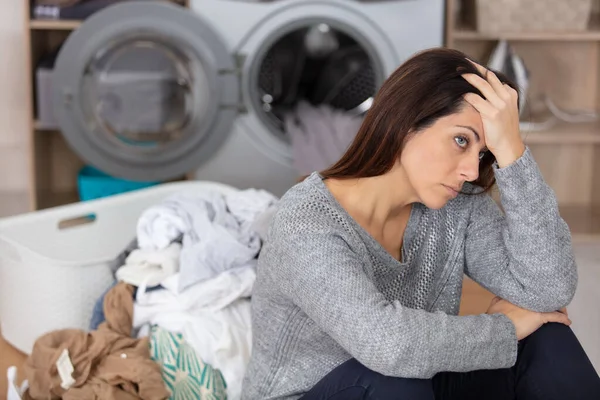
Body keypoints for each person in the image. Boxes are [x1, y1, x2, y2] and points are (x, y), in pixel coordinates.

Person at [241, 48, 600, 400]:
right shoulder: (307, 221)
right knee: (394, 378)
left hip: (415, 383)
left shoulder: (456, 204)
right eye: (461, 140)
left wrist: (513, 152)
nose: (472, 170)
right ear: (407, 122)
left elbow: (548, 290)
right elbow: (387, 344)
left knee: (547, 339)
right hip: (331, 391)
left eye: (483, 152)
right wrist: (503, 329)